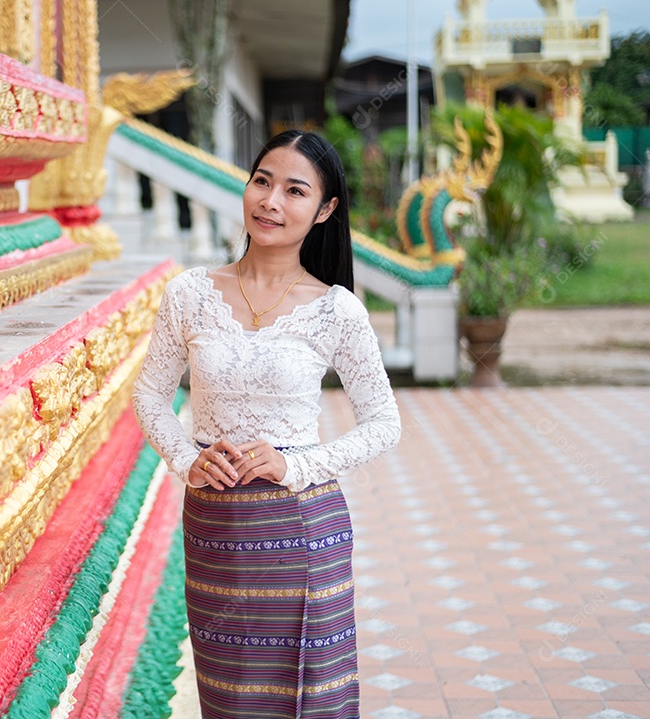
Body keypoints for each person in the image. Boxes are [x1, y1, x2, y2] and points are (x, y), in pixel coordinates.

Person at [132, 130, 401, 719]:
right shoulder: (190, 294)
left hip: (302, 527)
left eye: (295, 191)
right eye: (262, 181)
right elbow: (150, 393)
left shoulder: (336, 309)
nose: (270, 201)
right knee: (230, 696)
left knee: (307, 698)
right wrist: (186, 459)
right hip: (216, 528)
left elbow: (384, 422)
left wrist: (293, 465)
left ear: (325, 210)